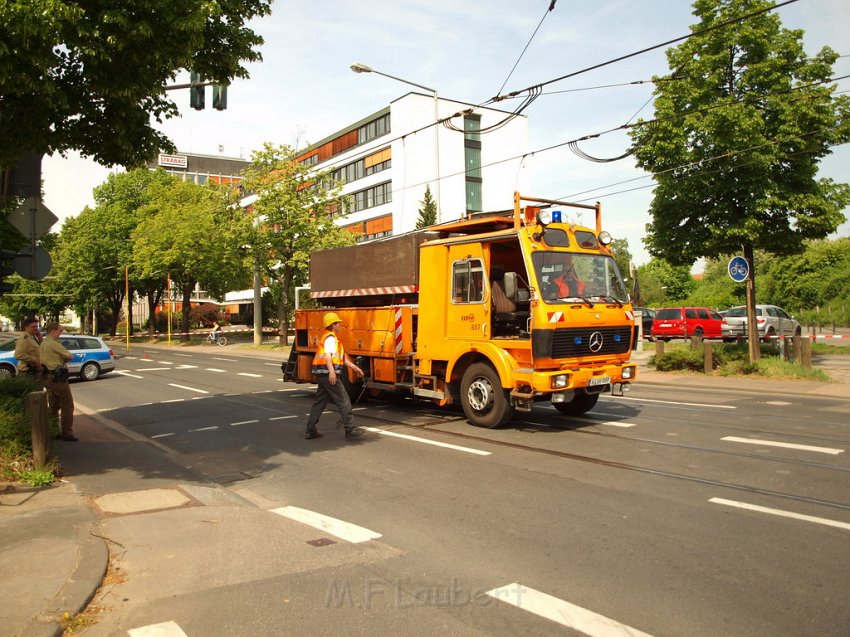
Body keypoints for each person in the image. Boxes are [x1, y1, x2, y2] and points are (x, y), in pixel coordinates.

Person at [305, 312, 365, 440]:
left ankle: (310, 430)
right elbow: (328, 356)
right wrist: (332, 372)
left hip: (323, 374)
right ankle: (350, 430)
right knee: (344, 400)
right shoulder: (330, 338)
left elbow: (341, 359)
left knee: (320, 402)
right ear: (333, 325)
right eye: (338, 323)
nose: (340, 325)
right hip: (328, 374)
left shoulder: (332, 339)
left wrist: (354, 367)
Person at [40, 323, 77, 442]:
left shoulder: (44, 342)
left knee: (53, 406)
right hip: (58, 378)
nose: (61, 333)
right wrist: (65, 357)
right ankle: (67, 433)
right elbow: (70, 356)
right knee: (67, 405)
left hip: (47, 377)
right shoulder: (54, 343)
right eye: (60, 331)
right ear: (53, 331)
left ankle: (54, 431)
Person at [14, 317, 44, 388]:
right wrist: (35, 360)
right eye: (33, 326)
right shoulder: (24, 338)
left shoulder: (32, 337)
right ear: (26, 327)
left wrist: (40, 338)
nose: (36, 328)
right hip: (28, 373)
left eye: (37, 326)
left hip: (35, 372)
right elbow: (18, 355)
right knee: (33, 396)